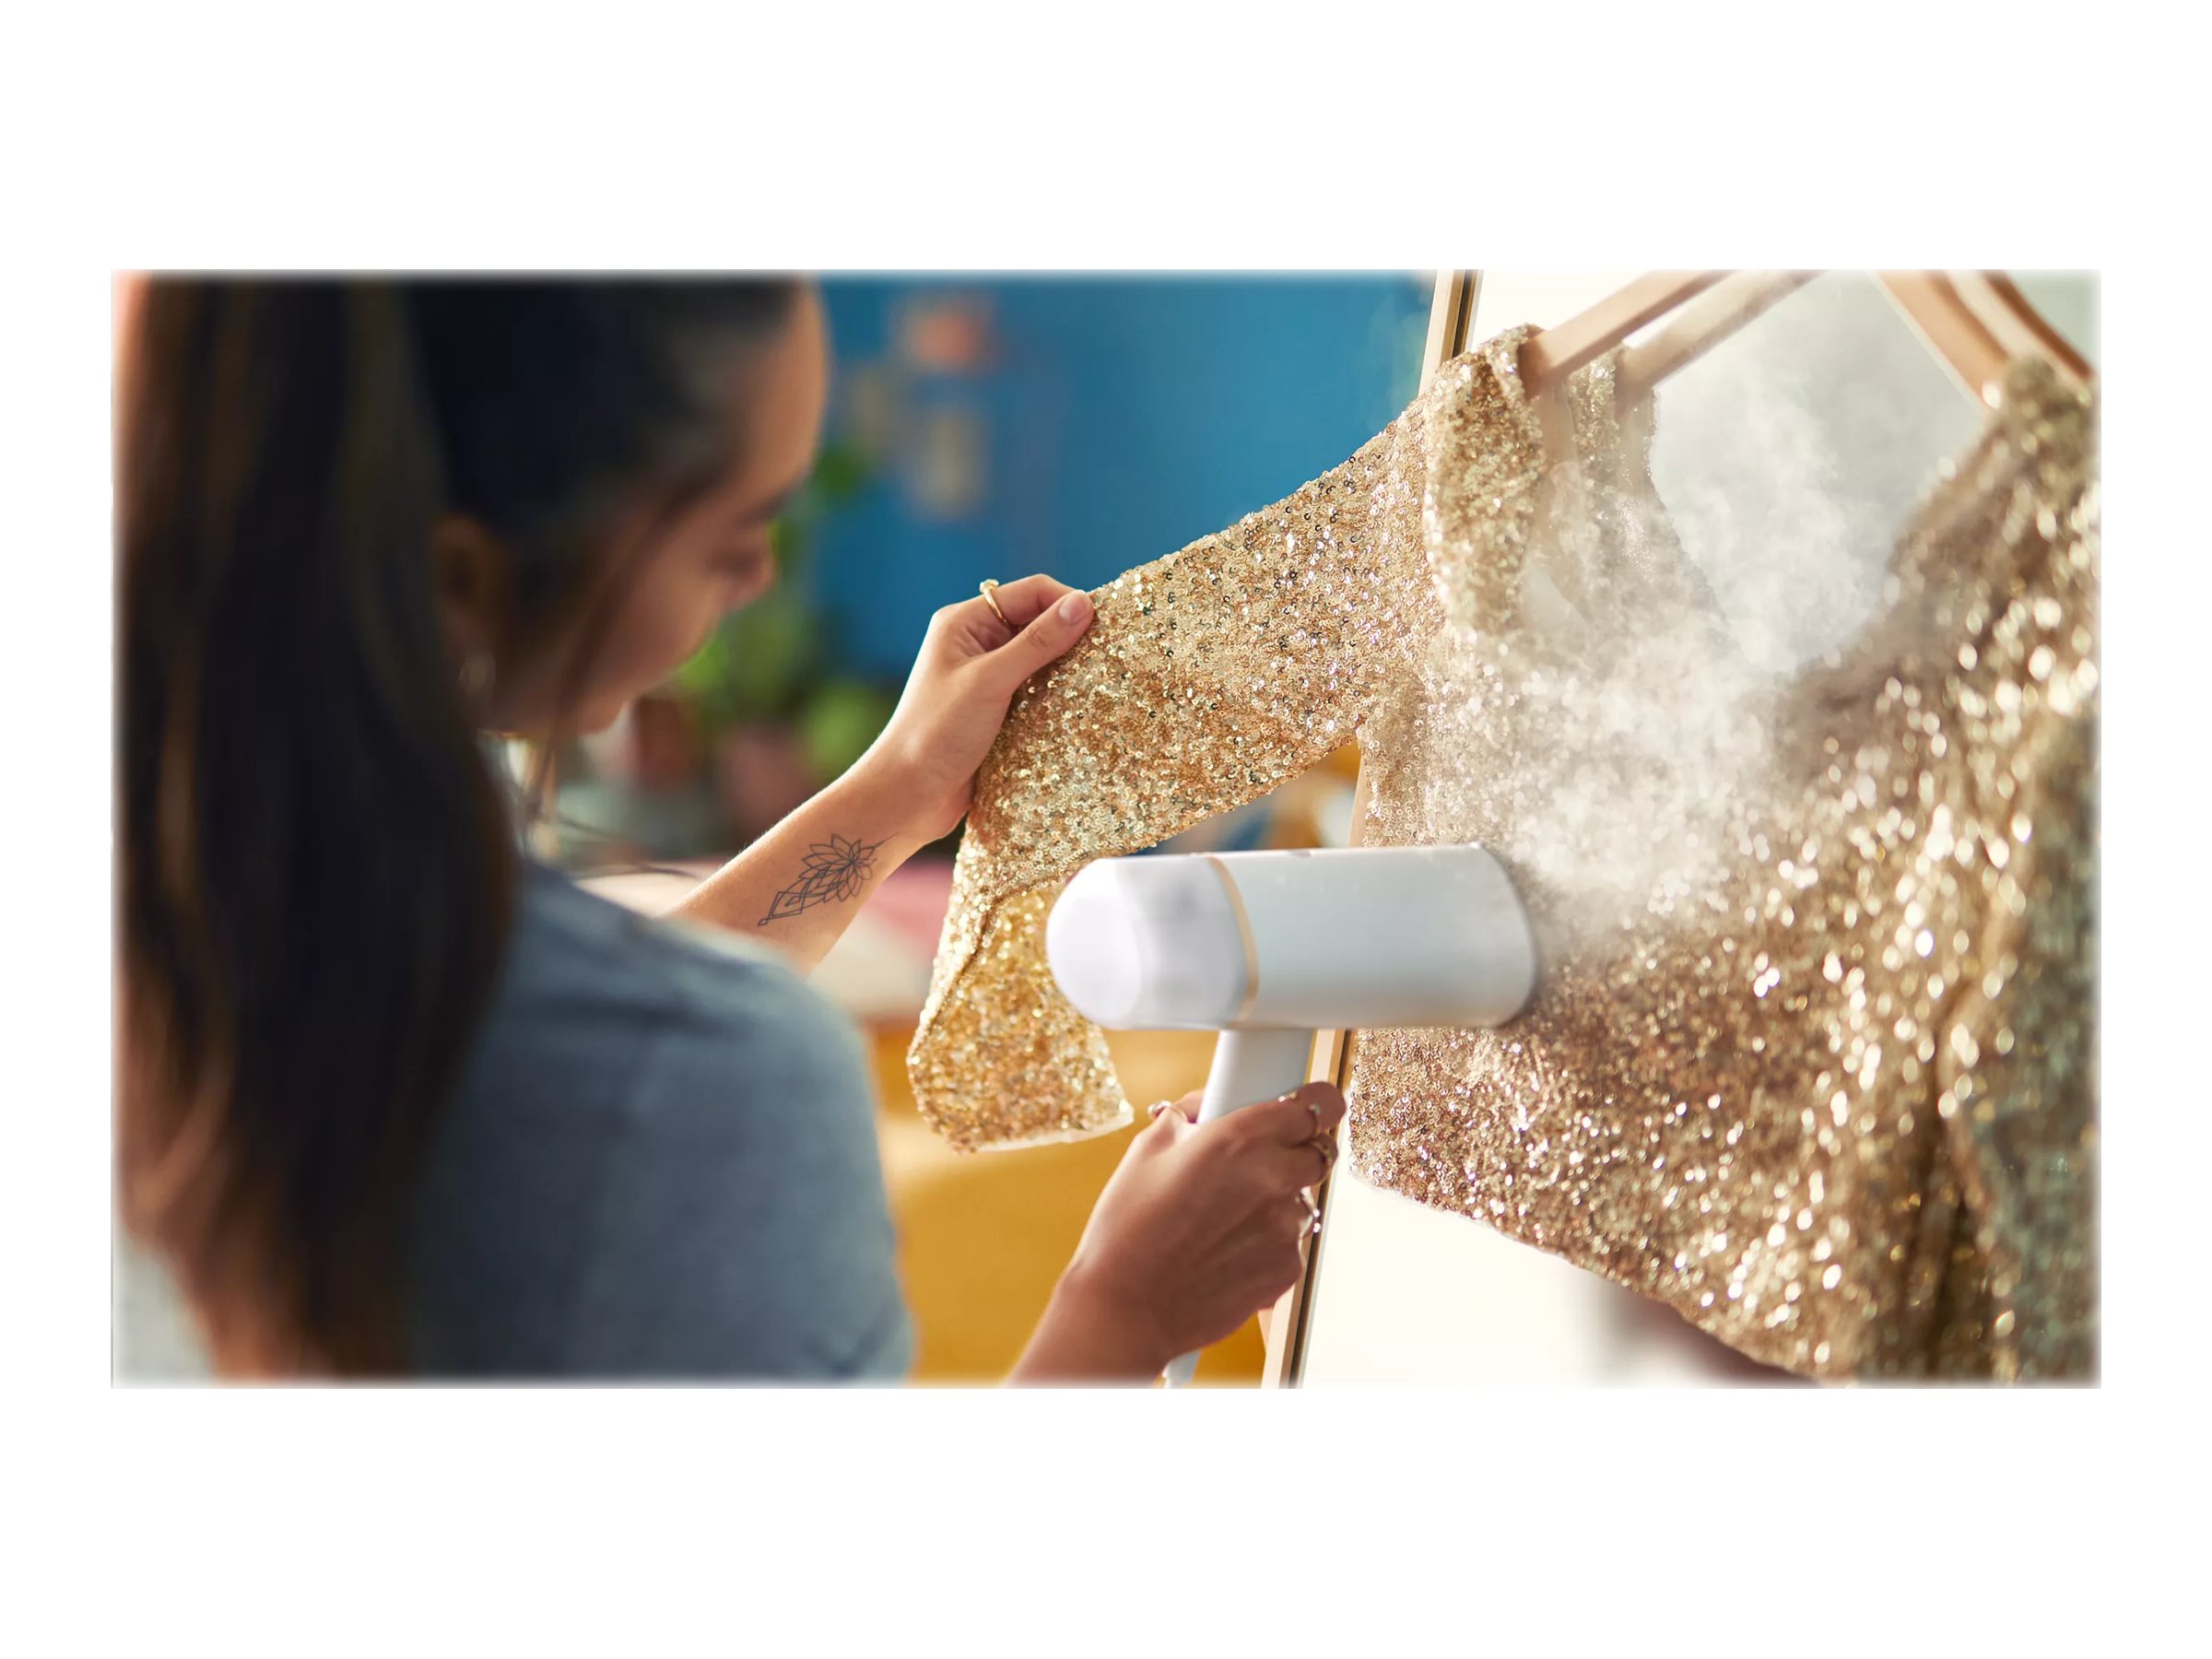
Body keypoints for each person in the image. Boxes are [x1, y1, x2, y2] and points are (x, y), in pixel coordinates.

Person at [116, 277, 1344, 1381]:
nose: (759, 580)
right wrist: (1120, 1314)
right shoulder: (715, 1089)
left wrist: (894, 794)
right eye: (735, 538)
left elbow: (563, 1039)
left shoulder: (219, 894)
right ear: (467, 580)